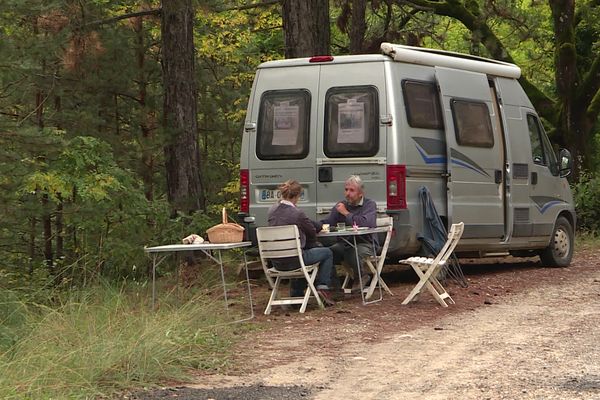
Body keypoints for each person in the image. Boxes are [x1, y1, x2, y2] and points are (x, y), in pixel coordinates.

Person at [267, 180, 336, 306]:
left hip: (277, 262)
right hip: (295, 260)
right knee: (326, 252)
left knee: (299, 252)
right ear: (298, 195)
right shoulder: (297, 213)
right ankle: (323, 286)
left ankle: (296, 292)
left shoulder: (271, 211)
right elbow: (311, 232)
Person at [321, 175, 377, 287]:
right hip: (345, 243)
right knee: (326, 253)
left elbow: (366, 223)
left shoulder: (369, 205)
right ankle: (333, 285)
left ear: (361, 193)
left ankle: (361, 276)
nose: (347, 193)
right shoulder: (341, 205)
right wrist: (318, 227)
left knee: (353, 252)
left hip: (366, 243)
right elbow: (328, 222)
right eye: (346, 190)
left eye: (352, 190)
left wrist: (346, 213)